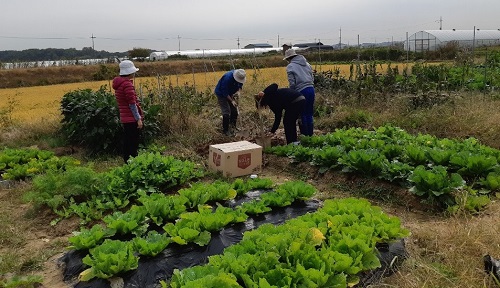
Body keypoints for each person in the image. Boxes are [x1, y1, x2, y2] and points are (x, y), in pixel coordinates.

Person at [112, 60, 143, 163]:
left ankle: (127, 162)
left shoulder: (118, 84)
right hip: (131, 118)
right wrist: (138, 118)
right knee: (133, 143)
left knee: (127, 141)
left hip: (124, 118)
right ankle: (134, 164)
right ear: (130, 72)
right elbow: (132, 104)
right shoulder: (127, 85)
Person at [283, 48, 315, 136]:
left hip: (301, 91)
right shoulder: (307, 64)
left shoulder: (290, 66)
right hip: (311, 89)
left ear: (288, 58)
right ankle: (311, 135)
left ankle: (305, 136)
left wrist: (292, 94)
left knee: (302, 114)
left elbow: (292, 83)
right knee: (309, 113)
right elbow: (312, 78)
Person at [214, 69, 246, 136]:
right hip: (221, 94)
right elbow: (224, 92)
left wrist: (238, 92)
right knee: (226, 112)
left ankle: (233, 126)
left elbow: (240, 85)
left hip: (231, 93)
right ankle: (226, 130)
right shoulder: (227, 78)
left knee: (234, 111)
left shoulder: (240, 75)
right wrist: (232, 101)